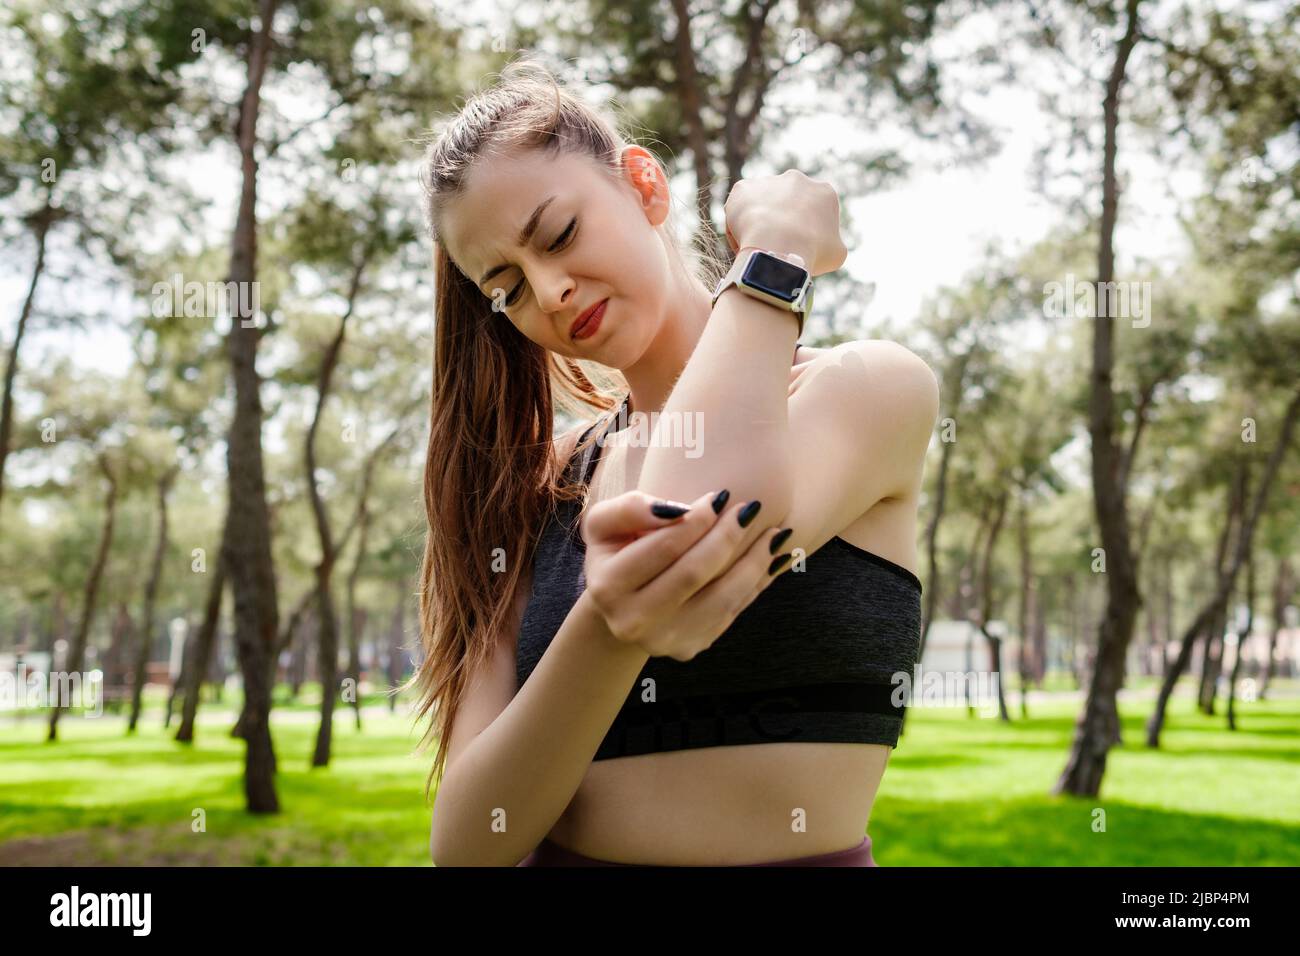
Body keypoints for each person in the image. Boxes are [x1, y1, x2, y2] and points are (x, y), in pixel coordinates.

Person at [413, 55, 939, 867]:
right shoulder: (541, 486)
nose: (549, 290)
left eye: (557, 235)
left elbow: (702, 500)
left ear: (644, 184)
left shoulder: (866, 391)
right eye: (507, 287)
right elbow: (468, 845)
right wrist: (609, 623)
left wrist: (773, 262)